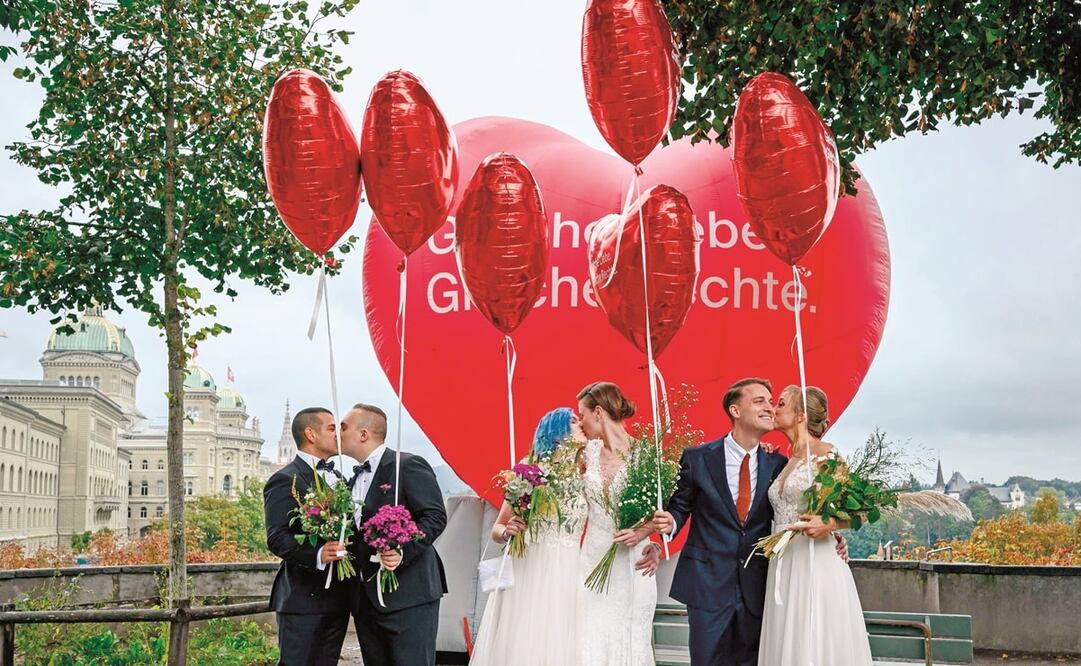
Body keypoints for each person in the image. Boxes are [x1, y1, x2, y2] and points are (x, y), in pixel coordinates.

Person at [653, 378, 848, 665]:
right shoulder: (697, 458)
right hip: (708, 585)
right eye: (759, 401)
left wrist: (834, 532)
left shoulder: (779, 464)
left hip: (762, 587)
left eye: (772, 401)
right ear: (735, 410)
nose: (769, 407)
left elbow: (808, 506)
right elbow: (680, 506)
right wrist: (670, 522)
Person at [757, 385, 873, 665]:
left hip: (815, 564)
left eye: (781, 403)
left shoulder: (826, 455)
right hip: (783, 565)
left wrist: (830, 523)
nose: (775, 408)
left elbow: (865, 509)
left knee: (815, 637)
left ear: (800, 415)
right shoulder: (786, 460)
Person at [469, 407, 591, 665]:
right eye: (573, 420)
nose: (581, 423)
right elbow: (497, 528)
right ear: (556, 431)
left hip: (571, 568)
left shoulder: (586, 471)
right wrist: (508, 530)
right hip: (530, 568)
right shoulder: (530, 470)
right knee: (526, 638)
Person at [336, 403, 448, 666]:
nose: (337, 433)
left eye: (343, 427)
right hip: (366, 602)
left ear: (363, 434)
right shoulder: (350, 481)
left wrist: (401, 551)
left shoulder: (407, 465)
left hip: (410, 595)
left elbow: (435, 517)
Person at [577, 381, 661, 666]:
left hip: (633, 562)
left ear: (598, 412)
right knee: (588, 638)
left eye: (583, 415)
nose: (581, 422)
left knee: (630, 640)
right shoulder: (584, 455)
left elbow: (660, 512)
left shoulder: (646, 454)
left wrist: (644, 535)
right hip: (591, 561)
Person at [263, 407, 350, 666]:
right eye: (332, 428)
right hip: (301, 599)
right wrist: (318, 554)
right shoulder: (283, 479)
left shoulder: (339, 478)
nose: (338, 435)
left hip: (338, 598)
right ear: (311, 433)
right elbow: (276, 537)